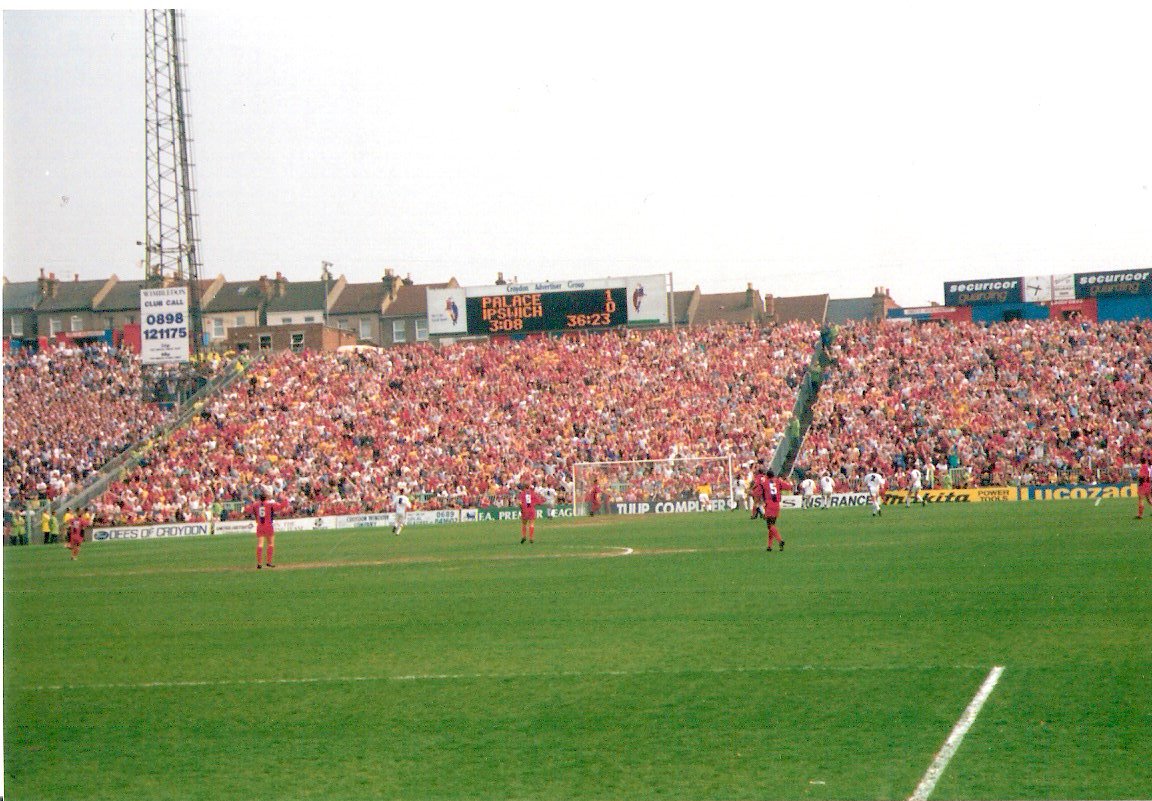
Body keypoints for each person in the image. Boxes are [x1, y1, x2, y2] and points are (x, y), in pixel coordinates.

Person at [244, 489, 288, 569]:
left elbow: (247, 510)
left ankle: (259, 563)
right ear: (266, 498)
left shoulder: (255, 505)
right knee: (270, 544)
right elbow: (281, 506)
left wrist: (248, 503)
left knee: (260, 544)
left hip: (260, 526)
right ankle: (269, 562)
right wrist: (285, 499)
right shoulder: (270, 504)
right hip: (268, 526)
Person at [761, 469, 793, 552]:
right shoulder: (778, 481)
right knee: (772, 526)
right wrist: (787, 481)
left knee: (770, 525)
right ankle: (769, 546)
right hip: (776, 505)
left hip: (769, 505)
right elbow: (789, 487)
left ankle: (780, 540)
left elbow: (760, 493)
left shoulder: (764, 483)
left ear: (767, 476)